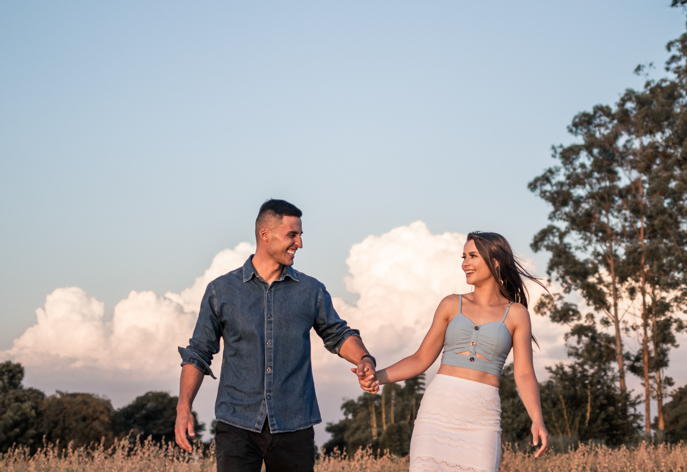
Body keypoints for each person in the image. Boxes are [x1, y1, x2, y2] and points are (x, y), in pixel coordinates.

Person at [176, 199, 377, 472]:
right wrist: (183, 407)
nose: (299, 244)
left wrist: (364, 358)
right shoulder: (221, 291)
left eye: (300, 235)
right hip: (237, 424)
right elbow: (199, 352)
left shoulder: (311, 290)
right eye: (292, 235)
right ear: (265, 234)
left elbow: (338, 334)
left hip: (295, 424)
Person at [358, 231, 549, 471]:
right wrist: (377, 376)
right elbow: (420, 358)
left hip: (482, 420)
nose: (464, 264)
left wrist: (537, 419)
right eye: (463, 256)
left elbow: (523, 374)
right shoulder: (450, 304)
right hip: (436, 415)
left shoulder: (517, 314)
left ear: (496, 261)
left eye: (472, 256)